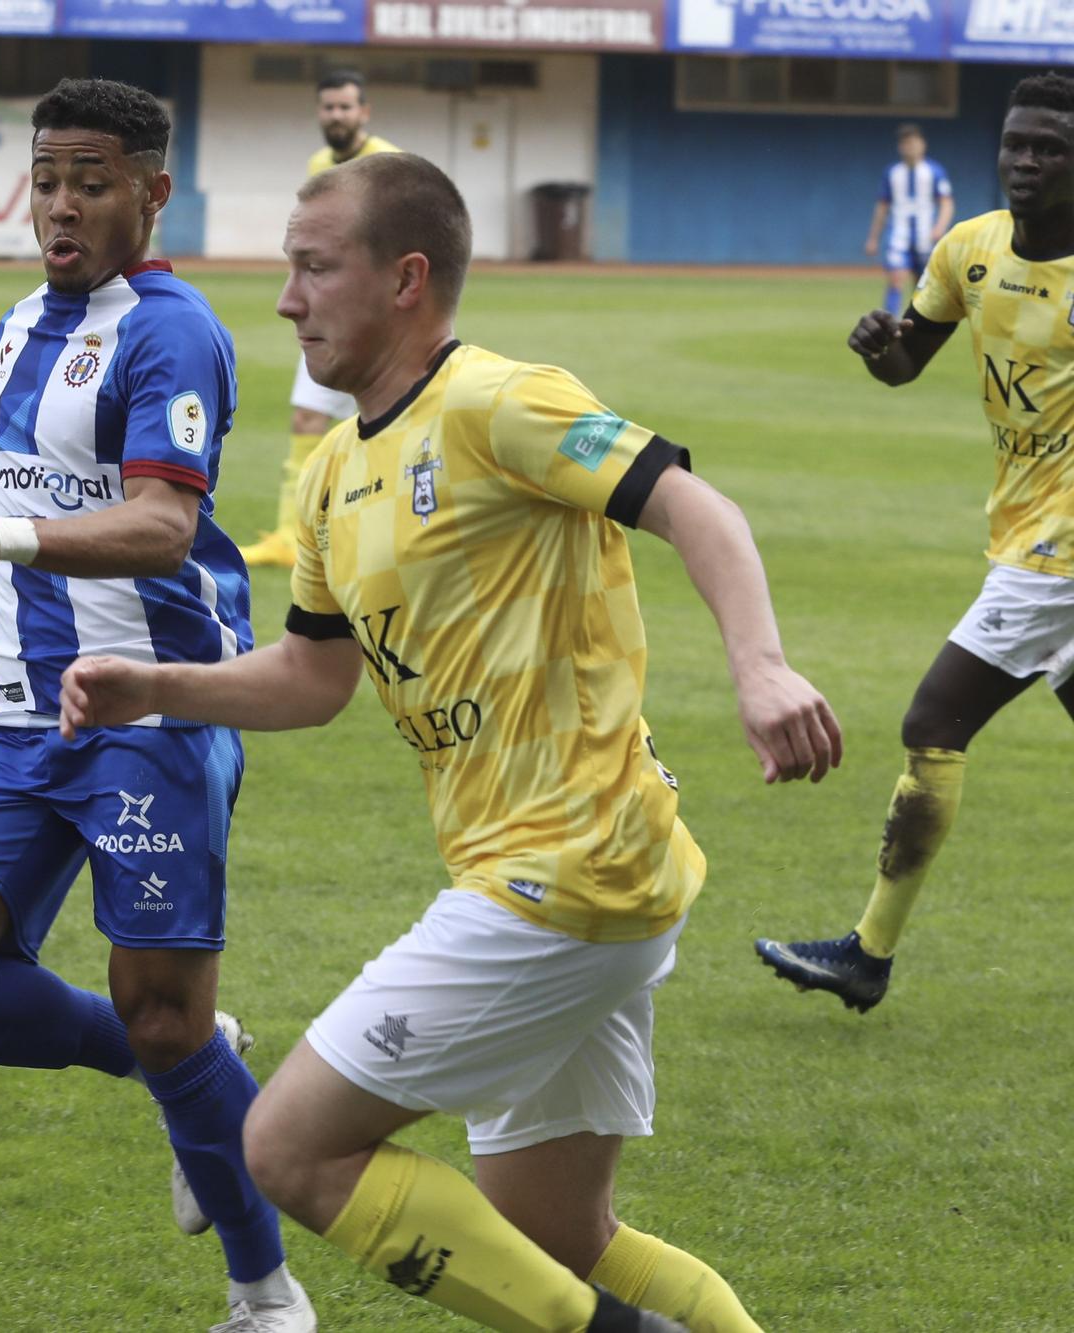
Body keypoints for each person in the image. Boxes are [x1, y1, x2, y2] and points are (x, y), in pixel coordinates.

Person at [60, 151, 844, 1332]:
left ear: (405, 279)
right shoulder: (330, 477)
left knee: (287, 1146)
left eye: (314, 268)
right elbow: (314, 678)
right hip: (553, 877)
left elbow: (692, 505)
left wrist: (762, 665)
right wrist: (154, 687)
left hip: (564, 872)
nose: (285, 298)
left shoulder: (496, 402)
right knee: (558, 1237)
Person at [0, 78, 313, 1333]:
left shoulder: (172, 332)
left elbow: (156, 526)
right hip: (20, 707)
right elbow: (38, 488)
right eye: (44, 179)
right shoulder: (22, 318)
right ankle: (191, 1059)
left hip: (147, 712)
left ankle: (266, 1296)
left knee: (159, 1015)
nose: (60, 206)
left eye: (90, 180)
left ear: (152, 189)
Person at [757, 73, 1074, 1013]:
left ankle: (868, 952)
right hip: (1021, 526)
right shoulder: (968, 249)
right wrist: (877, 347)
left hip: (1056, 554)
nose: (1026, 161)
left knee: (934, 724)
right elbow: (908, 362)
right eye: (1017, 143)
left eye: (1049, 148)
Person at [239, 70, 399, 569]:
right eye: (328, 107)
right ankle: (292, 535)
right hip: (328, 314)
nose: (336, 116)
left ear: (364, 112)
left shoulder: (388, 164)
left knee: (386, 424)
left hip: (375, 321)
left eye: (345, 107)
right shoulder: (318, 163)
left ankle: (390, 532)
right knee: (307, 418)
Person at [863, 122, 953, 318]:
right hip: (898, 235)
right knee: (896, 279)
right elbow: (882, 207)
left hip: (925, 237)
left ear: (922, 144)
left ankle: (917, 321)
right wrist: (873, 238)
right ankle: (890, 321)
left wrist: (939, 227)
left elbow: (946, 203)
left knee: (923, 284)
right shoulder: (892, 173)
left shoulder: (934, 171)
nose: (909, 147)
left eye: (913, 142)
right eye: (905, 143)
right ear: (900, 147)